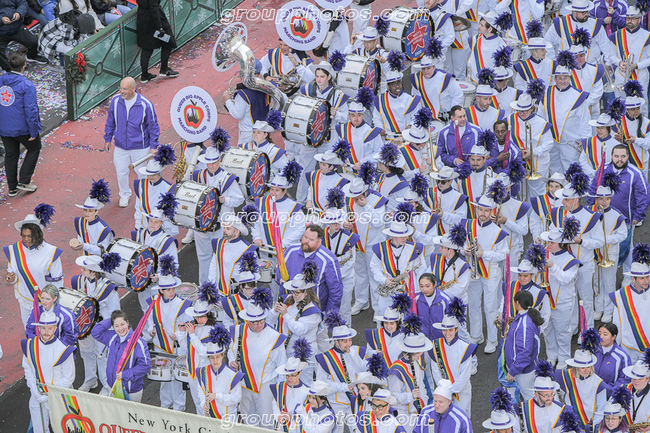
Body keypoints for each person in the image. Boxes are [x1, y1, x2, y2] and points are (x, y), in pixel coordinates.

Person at [551, 173, 604, 332]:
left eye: (566, 200)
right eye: (563, 199)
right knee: (570, 297)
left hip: (584, 263)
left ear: (576, 200)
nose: (563, 202)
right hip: (565, 263)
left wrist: (581, 242)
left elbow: (600, 242)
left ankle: (587, 330)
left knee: (586, 298)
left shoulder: (591, 217)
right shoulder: (559, 213)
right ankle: (573, 327)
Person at [229, 288, 288, 428]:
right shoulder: (239, 330)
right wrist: (231, 360)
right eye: (255, 322)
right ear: (248, 320)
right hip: (244, 384)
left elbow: (282, 365)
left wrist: (279, 392)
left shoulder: (274, 337)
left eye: (261, 321)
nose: (259, 325)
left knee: (267, 423)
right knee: (248, 422)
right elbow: (232, 350)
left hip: (266, 387)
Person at [589, 145, 650, 281]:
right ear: (612, 156)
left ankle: (627, 279)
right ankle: (603, 276)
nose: (619, 159)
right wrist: (590, 210)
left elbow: (644, 195)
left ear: (628, 156)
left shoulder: (635, 173)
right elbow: (593, 189)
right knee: (602, 245)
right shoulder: (603, 169)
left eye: (623, 156)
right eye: (616, 156)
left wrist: (638, 216)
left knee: (627, 249)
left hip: (626, 220)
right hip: (602, 218)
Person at [103, 76, 160, 208]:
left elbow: (153, 126)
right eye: (120, 88)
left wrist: (153, 146)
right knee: (121, 171)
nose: (122, 91)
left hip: (140, 147)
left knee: (142, 173)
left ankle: (144, 195)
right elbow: (110, 121)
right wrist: (107, 139)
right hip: (121, 146)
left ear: (134, 89)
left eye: (125, 89)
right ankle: (124, 194)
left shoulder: (145, 104)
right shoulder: (115, 101)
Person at [192, 145, 246, 283]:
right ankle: (204, 286)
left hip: (221, 225)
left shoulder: (228, 179)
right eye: (208, 163)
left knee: (220, 256)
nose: (211, 166)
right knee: (203, 257)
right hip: (202, 225)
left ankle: (220, 286)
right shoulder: (199, 176)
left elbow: (239, 199)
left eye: (214, 162)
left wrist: (226, 200)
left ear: (220, 161)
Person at [463, 195, 508, 354]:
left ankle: (492, 339)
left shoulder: (498, 232)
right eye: (480, 209)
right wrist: (465, 250)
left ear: (491, 212)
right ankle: (476, 335)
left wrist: (484, 254)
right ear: (476, 209)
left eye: (486, 210)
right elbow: (461, 244)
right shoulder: (468, 225)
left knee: (490, 307)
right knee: (473, 304)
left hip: (491, 272)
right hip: (473, 270)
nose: (483, 213)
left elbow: (503, 255)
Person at [4, 211, 63, 326]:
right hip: (25, 300)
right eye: (23, 236)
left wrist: (54, 302)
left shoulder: (51, 252)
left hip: (46, 303)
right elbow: (12, 271)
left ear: (37, 234)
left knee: (47, 332)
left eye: (30, 236)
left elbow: (57, 280)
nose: (26, 239)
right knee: (28, 330)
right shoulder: (14, 250)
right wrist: (11, 278)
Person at [72, 255, 120, 392]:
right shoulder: (79, 282)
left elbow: (115, 312)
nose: (81, 271)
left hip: (101, 327)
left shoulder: (108, 289)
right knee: (86, 352)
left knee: (102, 354)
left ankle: (107, 385)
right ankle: (90, 379)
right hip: (85, 326)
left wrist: (108, 329)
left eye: (84, 269)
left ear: (93, 272)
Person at [21, 311, 75, 433]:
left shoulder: (63, 350)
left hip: (59, 397)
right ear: (39, 328)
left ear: (55, 328)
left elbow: (68, 378)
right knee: (39, 430)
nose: (46, 332)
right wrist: (34, 390)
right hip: (37, 396)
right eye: (43, 328)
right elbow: (27, 368)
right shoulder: (30, 346)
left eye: (50, 328)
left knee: (63, 429)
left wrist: (49, 395)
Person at [145, 274, 192, 410]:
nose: (171, 292)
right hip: (160, 344)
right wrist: (151, 329)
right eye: (168, 290)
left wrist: (178, 335)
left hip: (177, 346)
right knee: (164, 376)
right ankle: (165, 402)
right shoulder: (154, 302)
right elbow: (150, 319)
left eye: (173, 289)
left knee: (177, 377)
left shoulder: (182, 304)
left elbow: (188, 324)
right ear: (161, 290)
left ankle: (179, 405)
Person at [343, 177, 388, 316]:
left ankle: (377, 307)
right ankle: (361, 301)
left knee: (374, 275)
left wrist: (367, 206)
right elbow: (346, 215)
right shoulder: (350, 200)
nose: (355, 200)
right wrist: (346, 223)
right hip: (357, 242)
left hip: (373, 243)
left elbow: (379, 223)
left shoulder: (378, 200)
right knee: (359, 275)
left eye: (357, 197)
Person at [0, 52, 42, 196]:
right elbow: (30, 110)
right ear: (24, 66)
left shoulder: (1, 80)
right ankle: (24, 180)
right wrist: (34, 130)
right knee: (35, 147)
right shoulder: (27, 85)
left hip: (4, 127)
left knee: (11, 155)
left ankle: (12, 187)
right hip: (22, 128)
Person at [539, 227, 581, 369]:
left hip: (562, 302)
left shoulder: (572, 261)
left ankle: (564, 357)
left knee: (562, 331)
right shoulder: (545, 253)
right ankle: (551, 355)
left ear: (562, 244)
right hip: (546, 299)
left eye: (552, 242)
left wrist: (552, 266)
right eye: (548, 241)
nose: (549, 244)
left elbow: (565, 279)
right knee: (547, 329)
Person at [542, 56, 592, 173]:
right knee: (554, 171)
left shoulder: (578, 96)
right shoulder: (547, 93)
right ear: (555, 79)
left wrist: (585, 140)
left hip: (571, 142)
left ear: (570, 78)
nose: (562, 81)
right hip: (552, 140)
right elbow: (541, 116)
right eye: (559, 78)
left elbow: (584, 120)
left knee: (571, 171)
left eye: (565, 78)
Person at [269, 274, 321, 381]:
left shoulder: (313, 311)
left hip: (304, 352)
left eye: (297, 293)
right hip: (285, 348)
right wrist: (275, 311)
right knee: (286, 380)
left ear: (306, 292)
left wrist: (285, 314)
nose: (294, 295)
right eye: (293, 292)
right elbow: (271, 321)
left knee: (305, 381)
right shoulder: (288, 299)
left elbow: (299, 330)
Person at [282, 225, 344, 313]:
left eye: (311, 240)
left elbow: (335, 290)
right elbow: (280, 271)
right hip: (291, 307)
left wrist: (329, 315)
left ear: (319, 242)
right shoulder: (291, 250)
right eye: (305, 237)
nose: (306, 241)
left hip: (315, 311)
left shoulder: (328, 260)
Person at [369, 220, 425, 318]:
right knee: (385, 318)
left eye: (405, 235)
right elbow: (374, 267)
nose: (404, 238)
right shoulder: (381, 248)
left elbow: (422, 270)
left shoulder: (414, 249)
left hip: (408, 290)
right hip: (388, 291)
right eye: (401, 236)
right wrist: (384, 280)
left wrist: (418, 290)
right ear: (393, 236)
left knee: (406, 320)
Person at [315, 324, 368, 428]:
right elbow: (321, 382)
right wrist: (343, 387)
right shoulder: (325, 358)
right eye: (345, 341)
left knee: (357, 429)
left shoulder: (356, 352)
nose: (348, 344)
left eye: (350, 340)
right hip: (336, 402)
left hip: (355, 399)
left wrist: (353, 355)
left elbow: (363, 370)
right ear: (336, 342)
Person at [91, 310, 151, 401]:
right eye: (116, 326)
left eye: (122, 324)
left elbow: (145, 366)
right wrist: (112, 319)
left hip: (131, 391)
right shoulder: (112, 337)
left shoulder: (138, 342)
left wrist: (125, 374)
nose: (120, 329)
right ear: (113, 326)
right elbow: (95, 332)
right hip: (112, 386)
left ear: (127, 323)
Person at [590, 181, 628, 323]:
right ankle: (598, 308)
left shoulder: (617, 215)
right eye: (601, 198)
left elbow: (623, 235)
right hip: (595, 252)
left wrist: (606, 239)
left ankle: (609, 310)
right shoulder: (591, 212)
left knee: (609, 282)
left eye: (607, 199)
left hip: (610, 252)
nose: (604, 202)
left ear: (611, 199)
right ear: (596, 199)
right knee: (596, 281)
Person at [430, 298, 475, 415]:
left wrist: (451, 391)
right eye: (445, 330)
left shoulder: (465, 348)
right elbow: (435, 371)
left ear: (456, 329)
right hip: (444, 393)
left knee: (462, 418)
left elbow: (465, 375)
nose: (447, 333)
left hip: (461, 392)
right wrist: (444, 390)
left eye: (450, 330)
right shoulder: (436, 345)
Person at [556, 330, 608, 429]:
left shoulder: (599, 383)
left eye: (588, 367)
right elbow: (557, 397)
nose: (586, 370)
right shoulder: (566, 376)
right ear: (576, 368)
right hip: (569, 423)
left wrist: (591, 427)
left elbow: (601, 409)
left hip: (589, 424)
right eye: (582, 367)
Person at [387, 318, 431, 432]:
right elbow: (393, 397)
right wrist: (410, 396)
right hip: (404, 416)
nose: (422, 353)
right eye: (420, 351)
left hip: (419, 411)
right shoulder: (396, 371)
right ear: (412, 352)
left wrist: (425, 402)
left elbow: (421, 384)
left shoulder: (418, 359)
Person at [131, 208, 178, 312]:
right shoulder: (140, 235)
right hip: (142, 280)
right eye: (151, 221)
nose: (152, 224)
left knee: (159, 309)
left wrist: (159, 276)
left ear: (161, 223)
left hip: (158, 283)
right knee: (145, 308)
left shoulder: (167, 241)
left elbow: (174, 265)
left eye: (156, 222)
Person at [509, 93, 554, 199]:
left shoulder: (541, 123)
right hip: (519, 162)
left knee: (537, 193)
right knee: (522, 191)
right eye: (520, 110)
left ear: (532, 109)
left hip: (538, 163)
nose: (522, 113)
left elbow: (549, 143)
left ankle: (538, 210)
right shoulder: (510, 119)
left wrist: (533, 152)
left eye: (525, 110)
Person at [502, 290, 544, 401]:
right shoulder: (526, 316)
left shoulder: (525, 323)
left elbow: (525, 352)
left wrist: (513, 371)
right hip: (520, 368)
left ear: (517, 303)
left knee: (530, 400)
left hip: (522, 370)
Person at [319, 207, 358, 326]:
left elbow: (351, 261)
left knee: (344, 308)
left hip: (344, 277)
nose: (337, 226)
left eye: (338, 222)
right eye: (333, 223)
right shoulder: (321, 236)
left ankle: (346, 332)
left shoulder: (349, 237)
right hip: (327, 278)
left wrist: (336, 276)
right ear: (328, 223)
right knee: (326, 306)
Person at [196, 324, 243, 421]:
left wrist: (217, 396)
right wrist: (203, 403)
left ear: (222, 356)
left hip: (228, 418)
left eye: (218, 357)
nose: (215, 360)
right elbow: (200, 392)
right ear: (208, 358)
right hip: (211, 418)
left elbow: (237, 398)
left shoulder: (233, 375)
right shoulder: (203, 372)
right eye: (212, 358)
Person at [607, 7, 650, 112]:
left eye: (633, 18)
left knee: (642, 105)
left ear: (639, 20)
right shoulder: (617, 35)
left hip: (640, 75)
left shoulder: (647, 36)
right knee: (621, 104)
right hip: (621, 74)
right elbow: (611, 55)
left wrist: (636, 66)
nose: (630, 21)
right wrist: (619, 63)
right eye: (628, 18)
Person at [544, 0, 612, 63]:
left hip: (591, 68)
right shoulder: (560, 23)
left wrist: (608, 63)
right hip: (567, 69)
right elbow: (547, 42)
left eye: (587, 11)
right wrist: (552, 61)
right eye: (583, 13)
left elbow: (606, 46)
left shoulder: (595, 24)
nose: (586, 14)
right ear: (574, 12)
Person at [183, 297, 219, 415]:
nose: (199, 320)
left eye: (202, 316)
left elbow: (204, 352)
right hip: (192, 370)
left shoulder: (212, 330)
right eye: (197, 317)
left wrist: (192, 335)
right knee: (197, 402)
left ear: (208, 315)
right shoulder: (193, 327)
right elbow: (185, 347)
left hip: (205, 371)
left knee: (206, 402)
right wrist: (181, 333)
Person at [208, 214, 257, 298]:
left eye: (228, 229)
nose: (224, 230)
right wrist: (211, 285)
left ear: (237, 232)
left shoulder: (248, 249)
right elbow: (214, 265)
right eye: (224, 227)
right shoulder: (219, 243)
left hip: (239, 294)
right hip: (219, 291)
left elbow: (253, 275)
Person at [225, 62, 274, 145]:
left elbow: (238, 114)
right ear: (258, 73)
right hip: (263, 131)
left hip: (247, 134)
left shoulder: (242, 94)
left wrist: (227, 100)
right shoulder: (267, 89)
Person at [410, 46, 463, 122]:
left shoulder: (445, 78)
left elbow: (458, 95)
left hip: (446, 117)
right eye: (423, 69)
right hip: (428, 118)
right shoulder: (417, 79)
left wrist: (454, 114)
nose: (426, 71)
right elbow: (416, 99)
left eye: (428, 68)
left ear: (434, 67)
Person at [611, 259, 650, 363]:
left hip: (648, 346)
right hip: (628, 345)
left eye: (647, 277)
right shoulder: (621, 295)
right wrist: (615, 344)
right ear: (633, 278)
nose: (646, 281)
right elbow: (617, 321)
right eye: (642, 278)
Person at [333, 94, 384, 170]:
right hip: (348, 171)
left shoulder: (371, 132)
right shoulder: (342, 129)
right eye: (353, 115)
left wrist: (362, 162)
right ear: (349, 116)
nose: (356, 118)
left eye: (359, 115)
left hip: (367, 171)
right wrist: (342, 158)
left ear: (363, 115)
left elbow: (379, 153)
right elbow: (338, 149)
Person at [504, 258, 551, 334]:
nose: (522, 278)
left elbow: (546, 314)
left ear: (532, 275)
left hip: (529, 331)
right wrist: (501, 313)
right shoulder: (511, 286)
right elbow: (504, 303)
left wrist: (537, 332)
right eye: (519, 275)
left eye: (525, 276)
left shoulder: (540, 293)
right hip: (510, 330)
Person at [612, 84, 650, 177]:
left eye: (638, 108)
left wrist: (635, 140)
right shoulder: (619, 121)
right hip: (623, 161)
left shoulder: (646, 122)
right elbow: (611, 139)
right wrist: (616, 138)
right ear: (627, 110)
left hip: (640, 161)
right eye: (633, 109)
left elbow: (648, 144)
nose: (636, 111)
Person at [372, 70, 421, 140]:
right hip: (388, 139)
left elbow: (416, 117)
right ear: (388, 86)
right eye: (394, 85)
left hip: (407, 138)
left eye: (399, 83)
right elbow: (377, 118)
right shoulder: (380, 100)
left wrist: (411, 125)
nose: (397, 86)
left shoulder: (409, 99)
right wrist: (380, 128)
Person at [0, 0, 48, 72]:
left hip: (17, 28)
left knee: (33, 42)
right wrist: (1, 19)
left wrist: (19, 13)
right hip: (1, 33)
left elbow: (22, 3)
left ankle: (32, 56)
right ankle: (8, 68)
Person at [136, 0, 178, 82]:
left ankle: (144, 75)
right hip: (154, 20)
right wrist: (160, 27)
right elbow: (153, 8)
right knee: (169, 42)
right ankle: (164, 69)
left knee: (147, 48)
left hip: (143, 18)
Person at [133, 159, 177, 235]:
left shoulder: (169, 188)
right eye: (149, 174)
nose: (151, 177)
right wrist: (138, 225)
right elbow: (138, 207)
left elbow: (172, 213)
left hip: (163, 229)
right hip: (145, 227)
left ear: (160, 174)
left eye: (154, 174)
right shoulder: (141, 185)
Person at [520, 360, 565, 433]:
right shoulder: (524, 408)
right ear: (536, 394)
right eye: (546, 395)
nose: (550, 398)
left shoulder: (560, 409)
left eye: (551, 394)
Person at [271, 348, 311, 431]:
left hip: (297, 428)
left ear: (300, 373)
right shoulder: (280, 387)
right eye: (287, 375)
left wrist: (292, 418)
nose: (289, 378)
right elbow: (275, 404)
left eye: (293, 375)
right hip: (282, 427)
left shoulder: (306, 391)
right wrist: (278, 416)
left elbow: (308, 414)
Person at [71, 179, 114, 256]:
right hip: (85, 258)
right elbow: (80, 238)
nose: (87, 213)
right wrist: (77, 244)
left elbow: (103, 251)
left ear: (96, 212)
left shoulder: (103, 229)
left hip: (98, 261)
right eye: (85, 210)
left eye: (90, 211)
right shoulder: (81, 222)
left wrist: (84, 246)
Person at [466, 12, 507, 84]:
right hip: (474, 81)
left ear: (490, 29)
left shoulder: (501, 44)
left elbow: (503, 68)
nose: (478, 26)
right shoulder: (475, 39)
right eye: (479, 24)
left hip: (491, 83)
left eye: (482, 25)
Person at [594, 323, 631, 393]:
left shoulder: (622, 356)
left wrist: (608, 389)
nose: (601, 337)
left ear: (613, 337)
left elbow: (626, 379)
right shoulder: (593, 350)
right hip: (591, 391)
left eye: (605, 334)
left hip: (610, 394)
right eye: (599, 334)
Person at [529, 173, 566, 241]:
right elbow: (535, 222)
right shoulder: (540, 200)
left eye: (557, 187)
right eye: (551, 186)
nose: (553, 190)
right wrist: (536, 237)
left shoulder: (567, 202)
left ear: (562, 188)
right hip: (543, 240)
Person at [579, 114, 618, 178]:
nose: (599, 130)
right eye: (598, 128)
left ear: (609, 129)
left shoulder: (616, 144)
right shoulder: (589, 142)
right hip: (592, 178)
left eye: (602, 128)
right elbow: (583, 160)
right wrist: (593, 172)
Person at [375, 142, 410, 213]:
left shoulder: (401, 185)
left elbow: (403, 206)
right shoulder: (381, 177)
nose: (379, 164)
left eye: (380, 162)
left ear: (386, 166)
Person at [622, 354, 650, 425]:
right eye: (634, 378)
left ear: (648, 379)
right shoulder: (623, 390)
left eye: (640, 379)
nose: (636, 381)